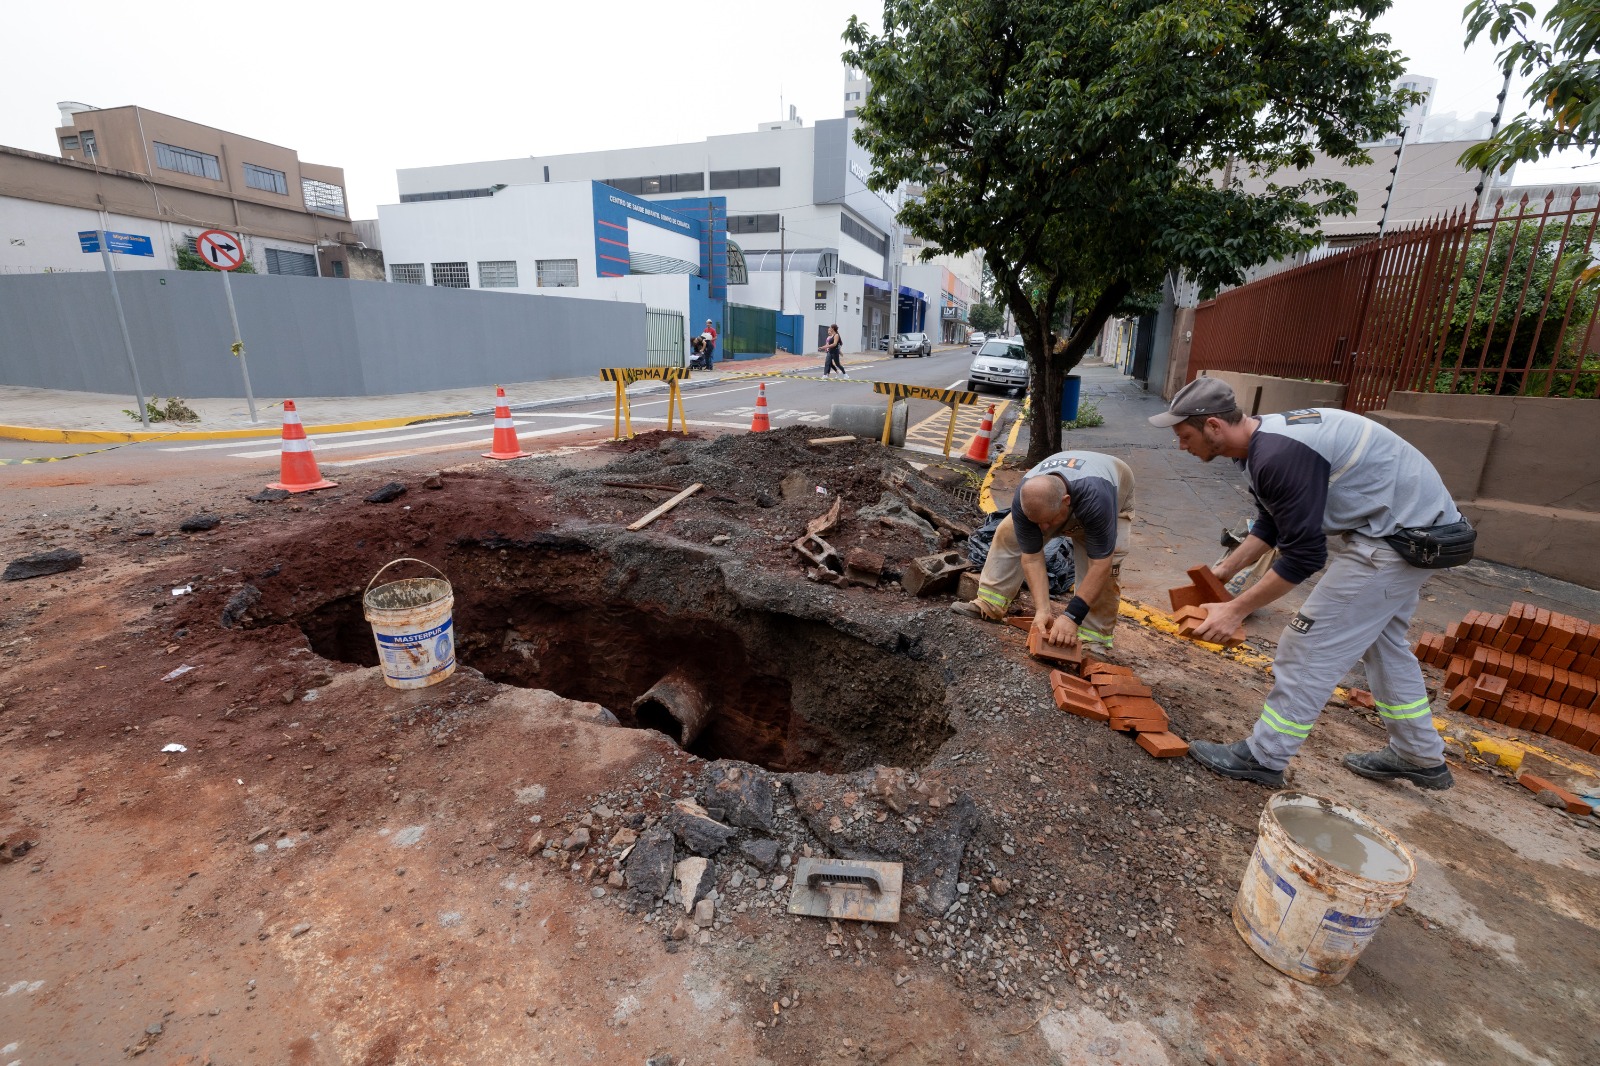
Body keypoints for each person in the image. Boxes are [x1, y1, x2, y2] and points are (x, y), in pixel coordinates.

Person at [1151, 377, 1472, 791]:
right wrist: (1224, 572)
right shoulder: (1257, 445)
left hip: (1400, 540)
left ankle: (1264, 756)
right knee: (1383, 644)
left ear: (1213, 426)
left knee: (1307, 644)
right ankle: (1419, 754)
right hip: (1412, 528)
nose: (1181, 446)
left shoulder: (1277, 455)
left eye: (1185, 436)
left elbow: (1305, 556)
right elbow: (1272, 522)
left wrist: (1235, 610)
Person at [951, 450, 1135, 651]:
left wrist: (1071, 617)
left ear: (1066, 501)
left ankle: (1093, 639)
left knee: (1107, 566)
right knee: (1009, 533)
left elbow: (1100, 565)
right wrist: (1042, 610)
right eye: (1037, 523)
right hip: (1062, 497)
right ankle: (989, 604)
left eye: (1049, 521)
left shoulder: (1096, 500)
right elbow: (1031, 558)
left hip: (1112, 491)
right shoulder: (1026, 498)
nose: (1045, 529)